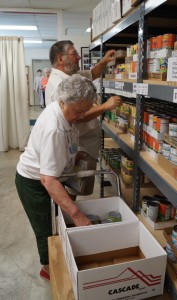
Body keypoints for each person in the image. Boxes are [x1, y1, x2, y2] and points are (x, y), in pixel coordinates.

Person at [15, 74, 97, 281]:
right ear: (62, 101)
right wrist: (78, 215)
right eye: (78, 111)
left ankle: (60, 257)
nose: (81, 116)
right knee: (45, 228)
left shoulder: (63, 112)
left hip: (51, 176)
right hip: (33, 181)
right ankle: (48, 268)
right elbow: (48, 180)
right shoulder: (55, 128)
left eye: (85, 111)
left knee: (58, 221)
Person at [45, 40, 122, 197]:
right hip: (79, 148)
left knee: (75, 188)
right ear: (60, 58)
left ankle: (69, 216)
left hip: (83, 145)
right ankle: (69, 218)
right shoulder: (60, 84)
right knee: (73, 189)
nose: (79, 57)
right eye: (74, 54)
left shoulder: (72, 76)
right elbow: (76, 117)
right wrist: (105, 106)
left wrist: (104, 61)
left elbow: (92, 74)